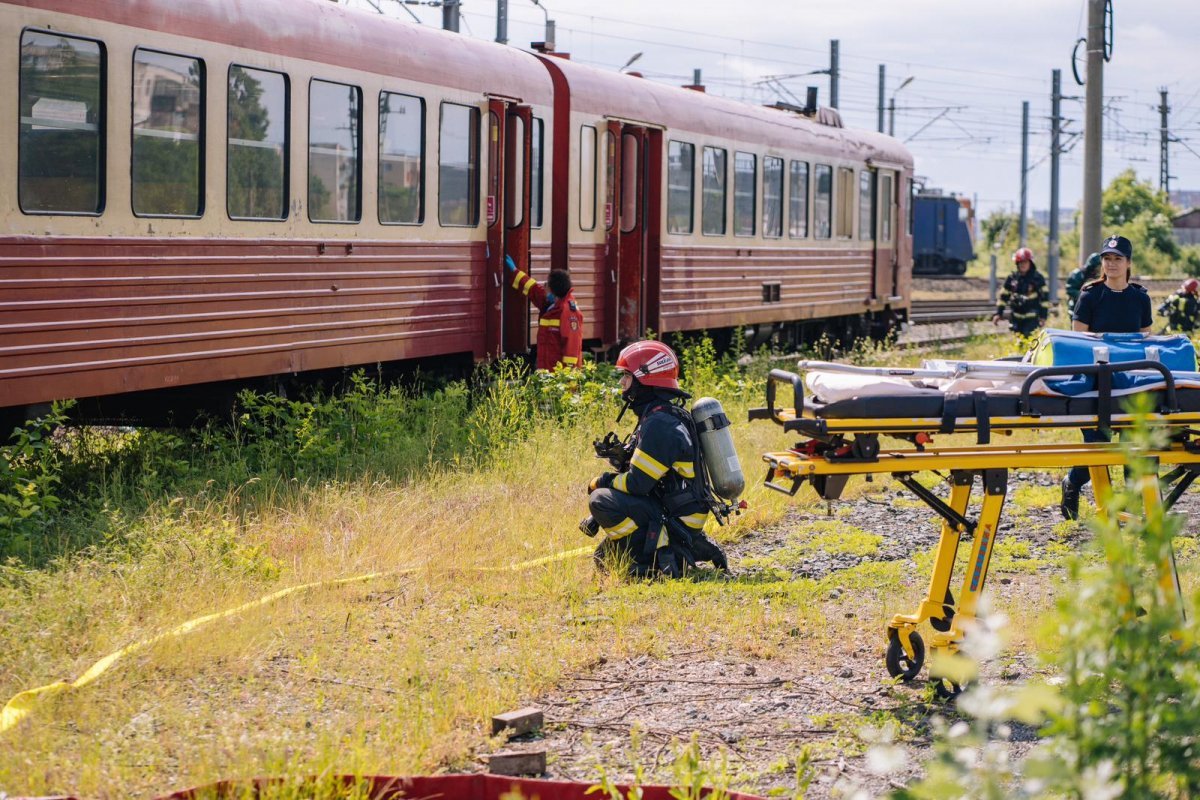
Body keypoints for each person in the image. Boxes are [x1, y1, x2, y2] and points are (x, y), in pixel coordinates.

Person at [583, 340, 729, 578]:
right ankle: (688, 545)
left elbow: (637, 485)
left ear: (644, 379)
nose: (622, 384)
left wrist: (602, 481)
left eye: (627, 377)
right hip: (677, 509)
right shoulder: (661, 416)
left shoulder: (661, 425)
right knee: (604, 559)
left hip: (677, 516)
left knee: (601, 500)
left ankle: (653, 563)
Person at [1060, 234, 1153, 520]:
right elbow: (1078, 342)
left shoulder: (1140, 297)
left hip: (1130, 381)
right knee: (1098, 448)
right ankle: (1072, 484)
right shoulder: (1090, 295)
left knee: (1131, 447)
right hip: (1096, 381)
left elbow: (1147, 340)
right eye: (1107, 258)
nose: (1112, 264)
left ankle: (1131, 511)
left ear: (1128, 263)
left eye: (1118, 259)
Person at [504, 255, 584, 370]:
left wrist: (568, 380)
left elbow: (572, 349)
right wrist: (515, 271)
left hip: (559, 377)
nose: (544, 287)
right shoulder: (551, 304)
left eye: (546, 285)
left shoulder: (569, 312)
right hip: (547, 372)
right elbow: (533, 289)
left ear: (552, 289)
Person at [993, 247, 1049, 335]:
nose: (1023, 265)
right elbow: (1003, 298)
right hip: (1016, 318)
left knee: (1029, 344)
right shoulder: (1012, 278)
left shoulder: (1037, 278)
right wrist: (998, 313)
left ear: (1030, 263)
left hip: (1032, 319)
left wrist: (1043, 317)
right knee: (1018, 343)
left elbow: (1045, 299)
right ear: (1017, 263)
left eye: (1025, 262)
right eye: (1021, 262)